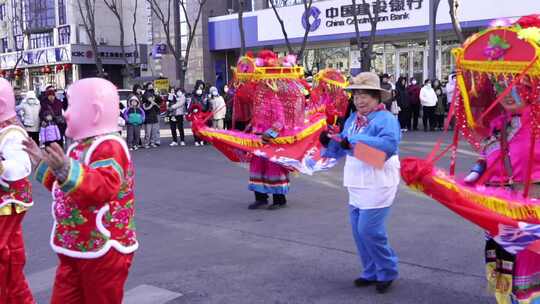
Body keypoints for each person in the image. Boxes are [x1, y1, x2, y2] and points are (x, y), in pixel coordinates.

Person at [23, 78, 138, 304]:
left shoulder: (110, 147)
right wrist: (42, 164)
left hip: (103, 250)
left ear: (95, 113)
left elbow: (101, 189)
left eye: (71, 106)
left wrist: (65, 169)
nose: (64, 113)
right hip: (75, 247)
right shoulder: (80, 145)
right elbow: (65, 188)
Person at [320, 72, 401, 294]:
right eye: (356, 96)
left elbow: (389, 145)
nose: (359, 100)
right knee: (358, 230)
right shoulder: (352, 119)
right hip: (357, 179)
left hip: (379, 178)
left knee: (369, 229)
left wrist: (354, 140)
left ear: (377, 97)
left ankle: (387, 270)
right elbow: (343, 148)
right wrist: (329, 141)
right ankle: (371, 271)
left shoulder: (386, 119)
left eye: (364, 95)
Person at [0, 79, 35, 303]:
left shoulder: (12, 133)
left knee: (5, 248)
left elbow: (20, 167)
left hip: (9, 203)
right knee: (9, 249)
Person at [142, 83, 161, 148]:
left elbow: (160, 101)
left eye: (152, 86)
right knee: (148, 132)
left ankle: (152, 142)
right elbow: (147, 105)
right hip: (148, 116)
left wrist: (157, 95)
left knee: (154, 131)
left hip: (154, 115)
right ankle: (146, 143)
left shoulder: (154, 94)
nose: (151, 87)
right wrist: (152, 103)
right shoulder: (145, 95)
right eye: (149, 86)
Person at [190, 81, 208, 146]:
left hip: (203, 113)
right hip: (196, 113)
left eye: (202, 85)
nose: (201, 87)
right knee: (195, 128)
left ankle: (203, 140)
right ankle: (196, 140)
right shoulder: (193, 95)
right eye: (200, 85)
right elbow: (191, 104)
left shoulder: (205, 94)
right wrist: (190, 111)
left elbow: (207, 104)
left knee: (203, 128)